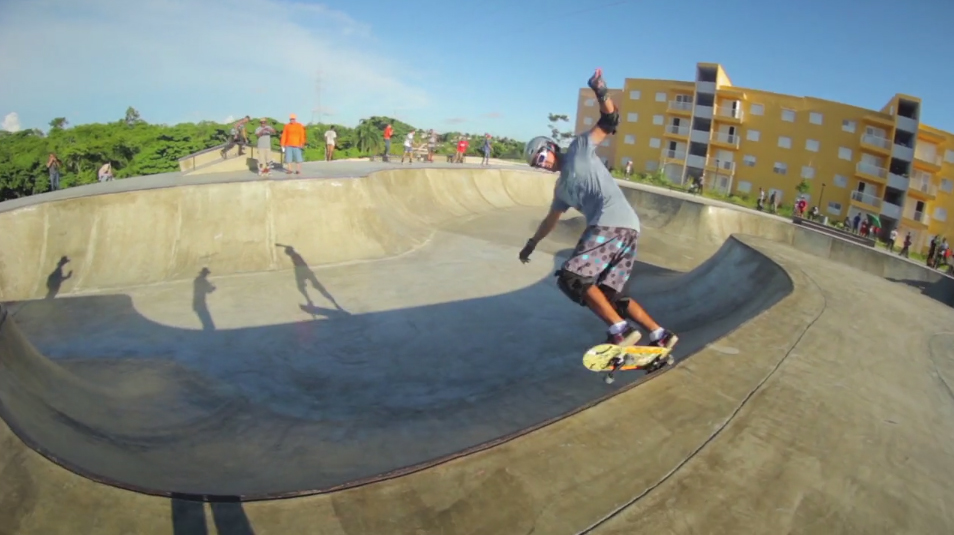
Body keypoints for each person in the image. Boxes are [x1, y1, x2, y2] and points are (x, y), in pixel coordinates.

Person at [518, 68, 678, 354]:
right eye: (536, 164)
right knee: (610, 296)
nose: (542, 165)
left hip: (609, 224)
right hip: (628, 229)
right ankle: (660, 334)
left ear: (552, 148)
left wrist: (601, 92)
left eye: (541, 157)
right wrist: (532, 243)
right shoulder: (561, 190)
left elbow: (610, 119)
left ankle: (621, 331)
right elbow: (550, 221)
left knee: (572, 278)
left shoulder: (580, 148)